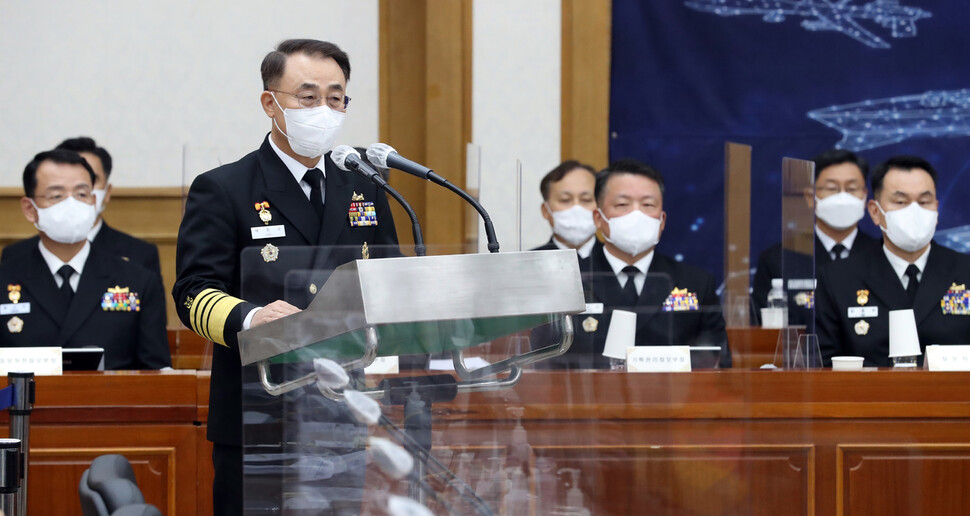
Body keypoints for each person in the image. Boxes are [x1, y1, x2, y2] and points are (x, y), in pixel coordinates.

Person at [172, 39, 398, 515]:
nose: (324, 109)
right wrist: (252, 317)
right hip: (260, 413)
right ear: (270, 103)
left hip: (344, 412)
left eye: (335, 98)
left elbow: (390, 280)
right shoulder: (225, 188)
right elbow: (192, 295)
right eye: (308, 97)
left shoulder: (365, 184)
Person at [541, 159, 729, 369]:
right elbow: (546, 363)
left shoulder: (696, 282)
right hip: (591, 399)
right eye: (622, 204)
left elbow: (717, 364)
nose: (636, 215)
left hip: (676, 399)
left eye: (648, 205)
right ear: (598, 218)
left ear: (662, 220)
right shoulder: (569, 279)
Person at [0, 149, 170, 370]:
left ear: (94, 200)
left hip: (111, 403)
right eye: (56, 196)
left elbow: (157, 376)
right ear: (29, 209)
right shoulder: (6, 279)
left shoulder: (138, 281)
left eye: (82, 194)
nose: (72, 206)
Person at [816, 155, 970, 366]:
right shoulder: (838, 278)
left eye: (924, 202)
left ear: (936, 209)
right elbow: (822, 364)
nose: (914, 211)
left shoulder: (964, 270)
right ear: (875, 211)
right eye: (900, 202)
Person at [2, 137, 162, 281]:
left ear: (106, 192)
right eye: (58, 193)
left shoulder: (139, 255)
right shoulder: (15, 255)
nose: (71, 201)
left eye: (81, 189)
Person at [752, 149, 881, 326]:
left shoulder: (881, 255)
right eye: (831, 188)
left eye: (851, 189)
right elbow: (763, 331)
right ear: (810, 196)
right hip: (801, 352)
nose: (842, 197)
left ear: (865, 195)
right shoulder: (778, 260)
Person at [532, 160, 598, 259]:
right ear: (545, 210)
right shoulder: (529, 263)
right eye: (565, 200)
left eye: (586, 200)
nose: (576, 208)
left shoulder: (619, 263)